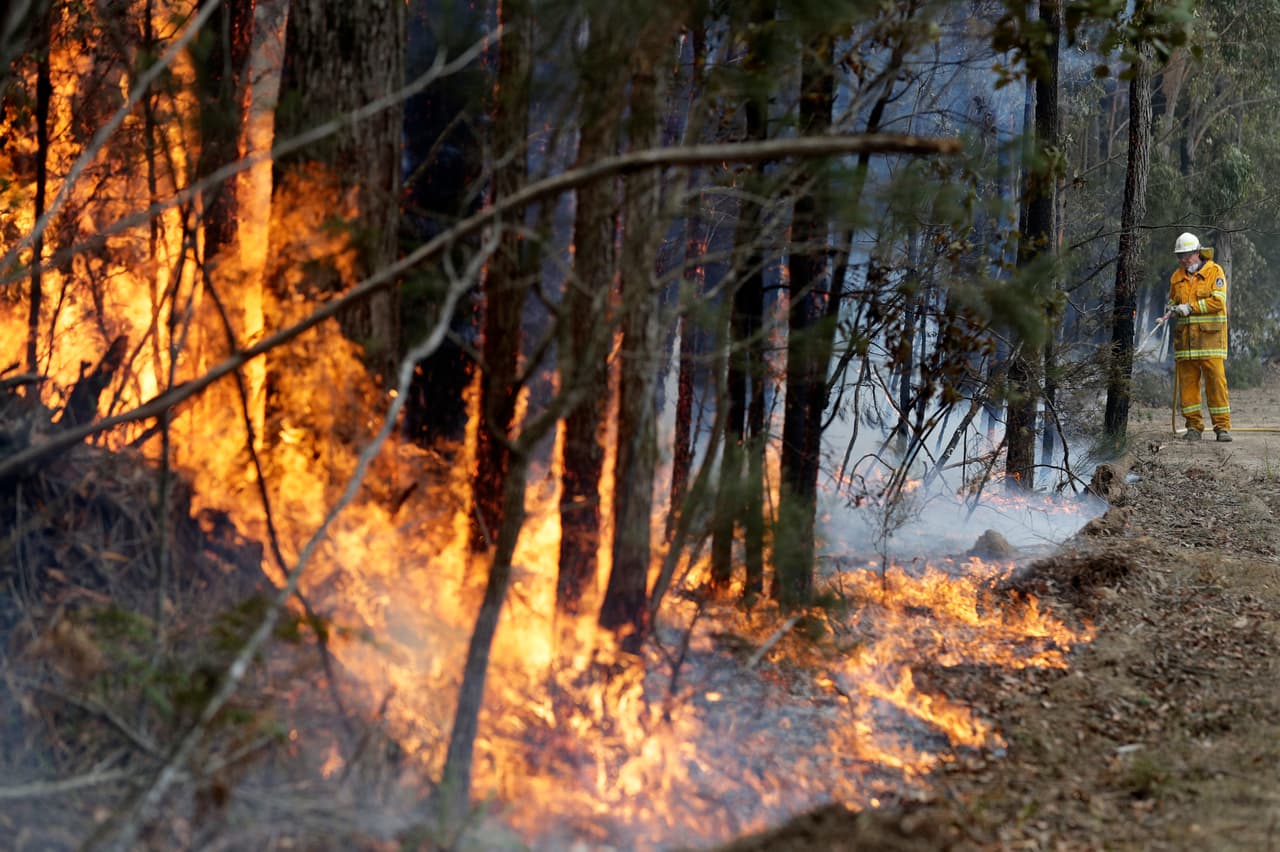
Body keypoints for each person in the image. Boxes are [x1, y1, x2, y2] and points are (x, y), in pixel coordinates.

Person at [1165, 231, 1231, 441]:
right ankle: (1194, 427)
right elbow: (1174, 301)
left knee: (1216, 384)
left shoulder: (1215, 272)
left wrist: (1190, 308)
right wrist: (1171, 310)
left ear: (1197, 252)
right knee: (1188, 386)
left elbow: (1217, 302)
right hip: (1185, 344)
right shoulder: (1177, 276)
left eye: (1187, 255)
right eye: (1180, 256)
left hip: (1210, 341)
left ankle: (1222, 428)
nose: (1183, 260)